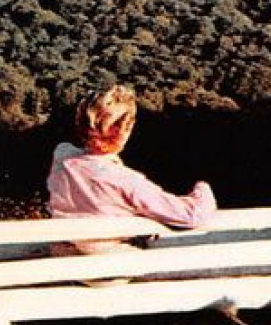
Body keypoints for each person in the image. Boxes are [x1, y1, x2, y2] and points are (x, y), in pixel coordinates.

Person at [47, 84, 216, 247]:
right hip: (111, 267)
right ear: (125, 129)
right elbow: (192, 215)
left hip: (67, 259)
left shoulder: (61, 157)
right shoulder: (126, 180)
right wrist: (203, 187)